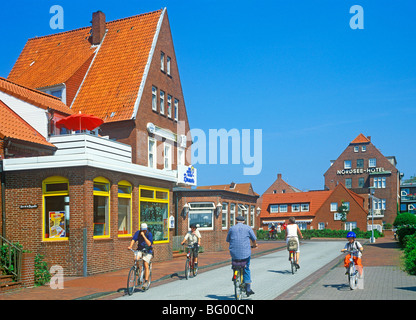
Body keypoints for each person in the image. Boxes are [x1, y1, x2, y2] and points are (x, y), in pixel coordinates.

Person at [226, 215, 258, 296]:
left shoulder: (231, 228)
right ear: (244, 221)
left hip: (234, 253)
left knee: (235, 263)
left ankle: (235, 274)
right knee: (246, 268)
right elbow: (254, 239)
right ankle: (248, 288)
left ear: (236, 221)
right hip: (245, 253)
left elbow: (228, 240)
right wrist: (254, 245)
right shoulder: (247, 228)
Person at [128, 223, 153, 289]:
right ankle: (138, 269)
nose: (143, 231)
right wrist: (130, 246)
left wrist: (144, 236)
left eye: (144, 230)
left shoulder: (149, 234)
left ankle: (146, 281)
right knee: (135, 259)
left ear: (146, 229)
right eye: (142, 230)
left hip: (148, 251)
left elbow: (149, 244)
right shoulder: (138, 233)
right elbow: (134, 239)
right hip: (140, 250)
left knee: (145, 264)